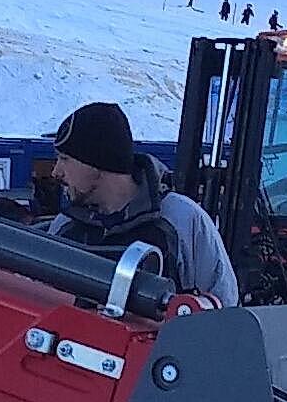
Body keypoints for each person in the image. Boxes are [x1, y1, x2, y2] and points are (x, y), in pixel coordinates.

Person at [40, 100, 236, 305]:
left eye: (64, 159)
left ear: (97, 162)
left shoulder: (181, 220)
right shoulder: (64, 226)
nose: (56, 172)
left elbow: (223, 307)